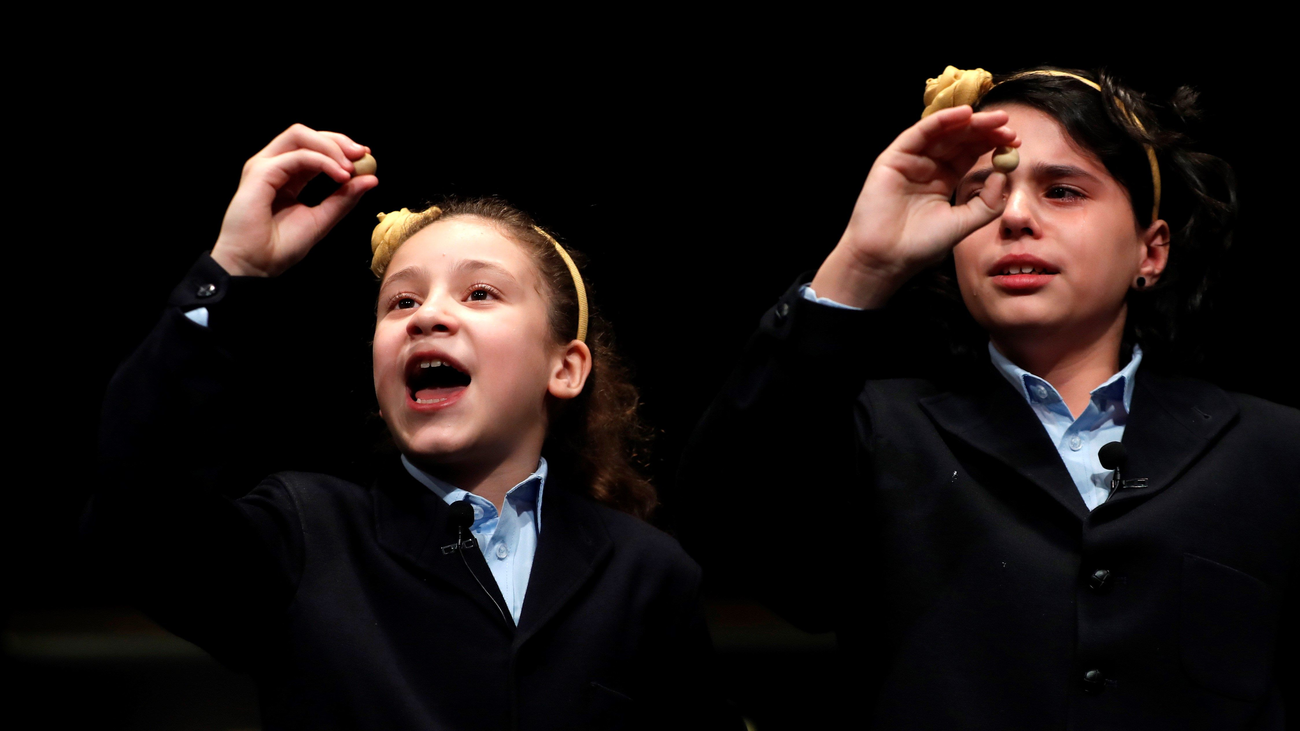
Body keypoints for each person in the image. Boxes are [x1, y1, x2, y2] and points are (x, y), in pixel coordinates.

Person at [677, 66, 1299, 729]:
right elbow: (722, 531)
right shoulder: (877, 431)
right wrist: (863, 262)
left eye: (1062, 190)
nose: (1016, 217)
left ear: (1152, 250)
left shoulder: (1273, 450)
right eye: (983, 193)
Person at [83, 124, 742, 730]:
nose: (427, 316)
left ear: (565, 368)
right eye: (401, 301)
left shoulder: (649, 574)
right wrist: (232, 269)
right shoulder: (304, 540)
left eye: (479, 292)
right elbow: (134, 506)